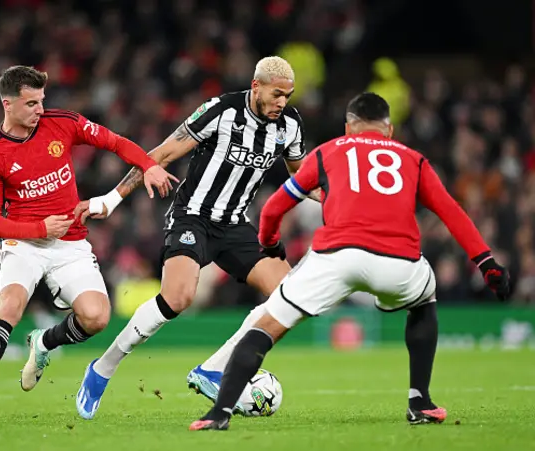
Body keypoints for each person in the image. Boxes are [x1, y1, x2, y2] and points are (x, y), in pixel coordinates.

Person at [188, 92, 510, 431]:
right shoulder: (413, 159)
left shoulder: (330, 150)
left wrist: (269, 244)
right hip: (398, 262)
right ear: (389, 130)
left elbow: (273, 208)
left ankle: (219, 413)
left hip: (335, 258)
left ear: (348, 127)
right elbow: (451, 212)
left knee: (266, 327)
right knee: (424, 299)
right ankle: (420, 401)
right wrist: (486, 262)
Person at [73, 56, 319, 420]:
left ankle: (213, 369)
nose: (283, 102)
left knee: (290, 297)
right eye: (277, 94)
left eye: (288, 95)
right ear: (256, 86)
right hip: (193, 218)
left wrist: (340, 200)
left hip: (236, 225)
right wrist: (111, 200)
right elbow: (161, 154)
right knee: (178, 297)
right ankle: (103, 369)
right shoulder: (220, 111)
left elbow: (301, 178)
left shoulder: (290, 126)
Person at [0, 65, 177, 414]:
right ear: (7, 104)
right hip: (25, 243)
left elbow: (114, 141)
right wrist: (40, 229)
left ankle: (43, 342)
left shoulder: (61, 122)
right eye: (31, 104)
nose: (40, 110)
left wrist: (148, 165)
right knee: (10, 305)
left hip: (71, 244)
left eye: (42, 101)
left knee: (96, 318)